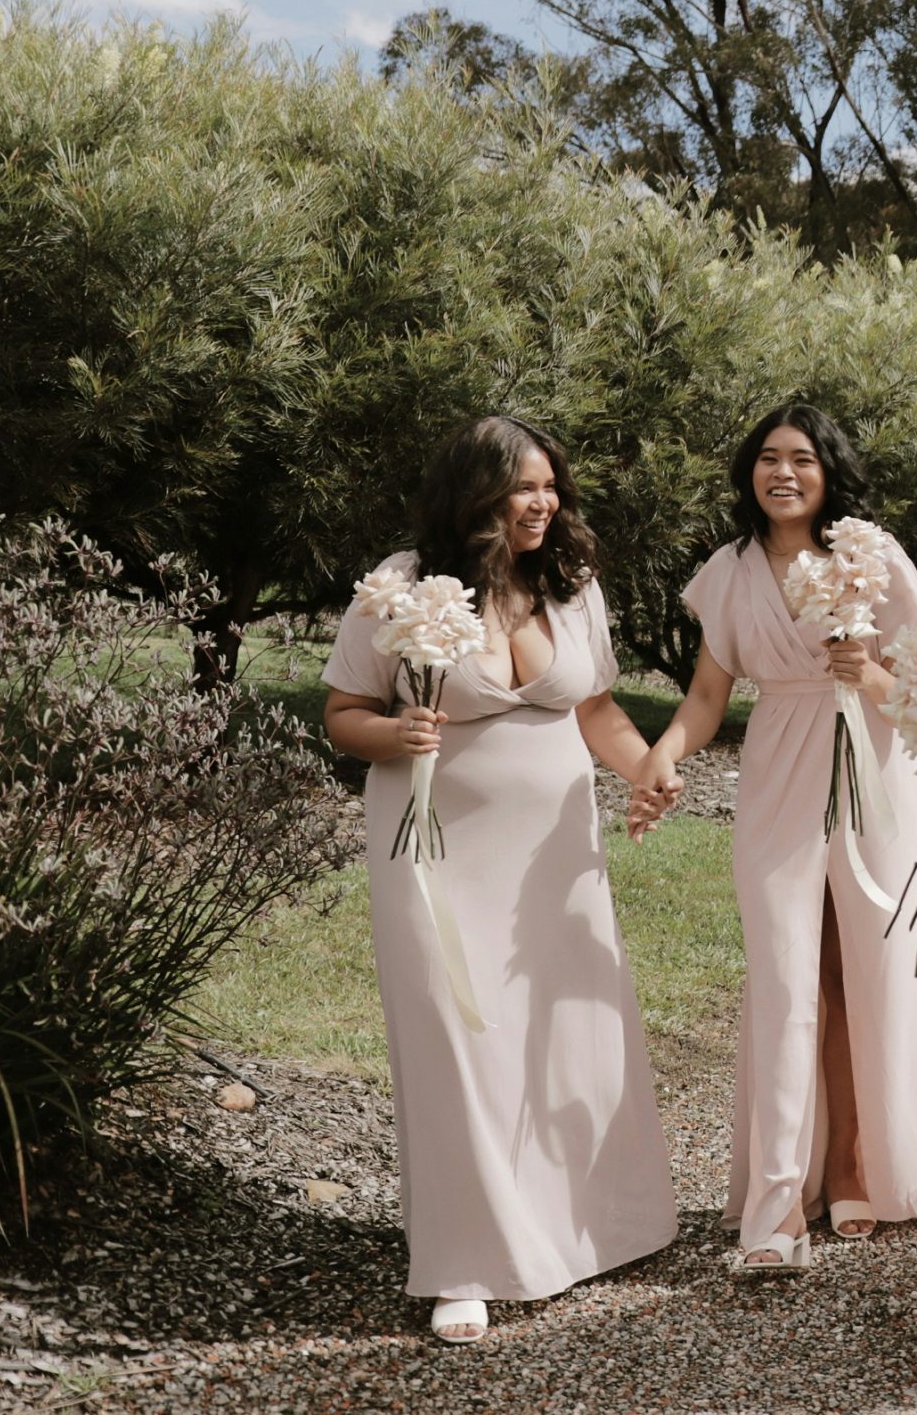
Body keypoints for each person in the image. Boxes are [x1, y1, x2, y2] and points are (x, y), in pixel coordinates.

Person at [322, 415, 677, 1345]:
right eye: (525, 486)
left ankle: (596, 1226)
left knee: (563, 1030)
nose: (544, 501)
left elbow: (595, 707)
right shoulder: (400, 586)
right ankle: (467, 1259)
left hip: (552, 858)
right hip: (435, 848)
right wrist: (393, 734)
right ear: (474, 492)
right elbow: (342, 710)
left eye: (550, 485)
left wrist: (646, 768)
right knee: (454, 1032)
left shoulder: (570, 582)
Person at [631, 404, 917, 1270]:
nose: (782, 473)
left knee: (868, 968)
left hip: (874, 769)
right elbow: (704, 697)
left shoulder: (874, 558)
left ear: (827, 470)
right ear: (748, 474)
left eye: (801, 458)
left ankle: (856, 1163)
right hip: (777, 769)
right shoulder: (728, 572)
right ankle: (776, 1200)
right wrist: (662, 749)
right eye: (767, 458)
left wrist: (868, 670)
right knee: (784, 973)